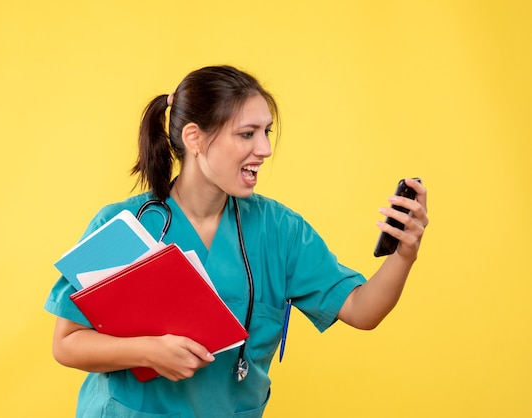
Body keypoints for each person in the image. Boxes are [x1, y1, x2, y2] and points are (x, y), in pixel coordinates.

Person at [44, 65, 428, 417]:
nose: (264, 149)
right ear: (194, 138)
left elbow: (362, 312)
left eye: (266, 132)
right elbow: (67, 344)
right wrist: (147, 351)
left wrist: (404, 254)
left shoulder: (279, 230)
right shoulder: (125, 226)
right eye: (247, 134)